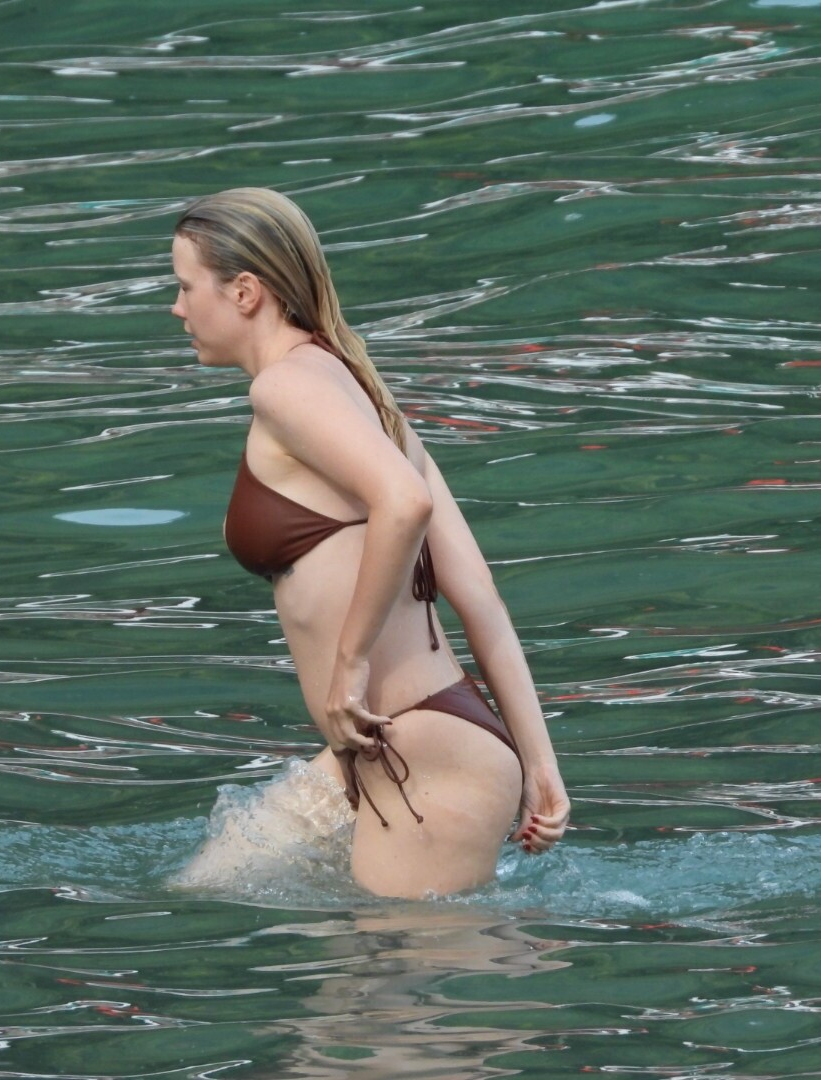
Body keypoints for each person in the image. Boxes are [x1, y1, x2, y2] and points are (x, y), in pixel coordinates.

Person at [170, 187, 570, 898]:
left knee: (385, 971)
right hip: (383, 748)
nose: (177, 309)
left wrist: (348, 666)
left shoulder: (285, 389)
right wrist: (539, 765)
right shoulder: (361, 390)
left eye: (184, 286)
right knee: (207, 887)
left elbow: (404, 502)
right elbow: (480, 595)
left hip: (423, 754)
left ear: (245, 292)